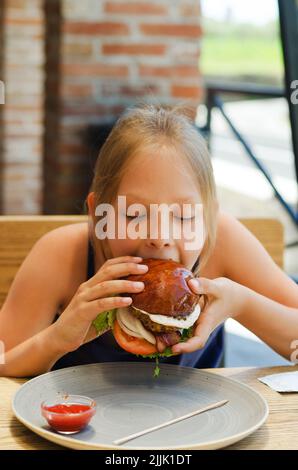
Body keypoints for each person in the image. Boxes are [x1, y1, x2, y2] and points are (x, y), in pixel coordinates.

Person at [0, 105, 297, 377]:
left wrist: (243, 304)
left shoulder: (224, 242)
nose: (159, 237)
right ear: (98, 216)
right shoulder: (61, 254)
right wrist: (56, 339)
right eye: (133, 215)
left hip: (200, 426)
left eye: (182, 217)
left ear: (208, 219)